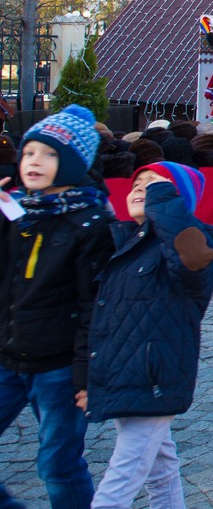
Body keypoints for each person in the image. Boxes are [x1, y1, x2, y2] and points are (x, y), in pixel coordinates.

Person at [85, 163, 213, 509]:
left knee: (122, 476)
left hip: (155, 375)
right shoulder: (124, 243)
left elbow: (192, 264)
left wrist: (164, 204)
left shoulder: (198, 238)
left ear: (176, 200)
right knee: (160, 466)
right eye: (137, 183)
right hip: (123, 372)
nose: (141, 188)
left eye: (156, 185)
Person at [0, 105, 113, 509]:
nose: (35, 162)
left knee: (58, 464)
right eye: (29, 152)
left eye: (49, 154)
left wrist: (84, 376)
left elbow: (93, 307)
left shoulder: (90, 222)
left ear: (70, 164)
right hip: (9, 354)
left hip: (59, 367)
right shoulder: (15, 211)